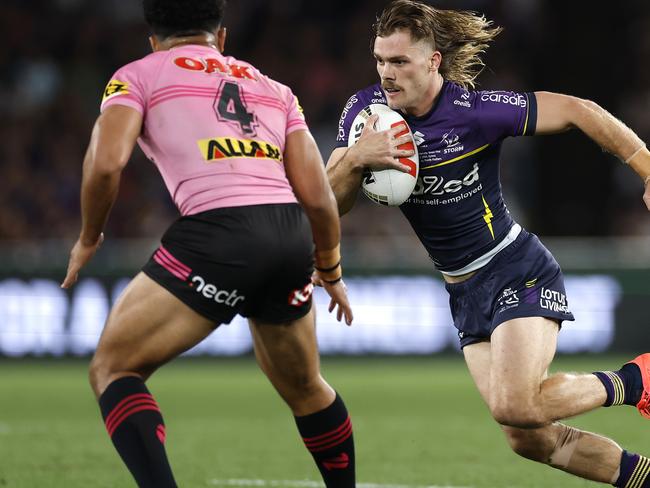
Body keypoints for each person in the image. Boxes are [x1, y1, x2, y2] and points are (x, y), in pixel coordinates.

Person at [327, 0, 650, 486]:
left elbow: (578, 111)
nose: (386, 74)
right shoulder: (365, 113)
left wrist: (645, 165)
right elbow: (330, 202)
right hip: (462, 291)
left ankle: (639, 381)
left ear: (433, 60)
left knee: (515, 403)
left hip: (515, 269)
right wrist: (355, 159)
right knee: (527, 436)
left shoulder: (475, 114)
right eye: (379, 60)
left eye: (399, 62)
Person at [61, 1, 357, 486]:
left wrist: (89, 237)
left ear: (152, 39)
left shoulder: (137, 74)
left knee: (113, 369)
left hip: (220, 231)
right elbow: (320, 198)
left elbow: (107, 162)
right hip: (290, 234)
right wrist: (330, 268)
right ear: (221, 37)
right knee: (305, 387)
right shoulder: (275, 89)